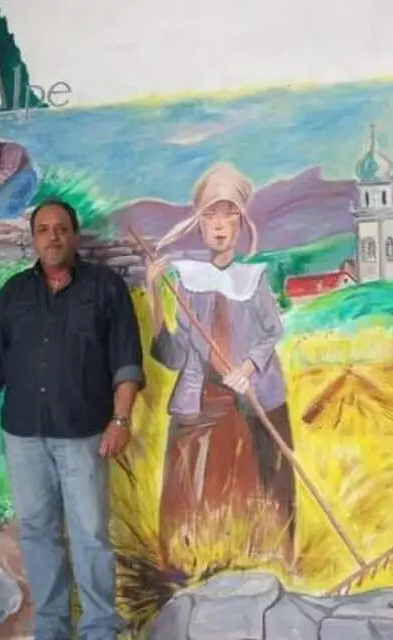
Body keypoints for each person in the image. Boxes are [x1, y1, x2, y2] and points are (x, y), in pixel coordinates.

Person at [0, 199, 145, 640]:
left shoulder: (105, 288)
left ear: (74, 235)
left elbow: (126, 361)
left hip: (84, 434)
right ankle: (50, 629)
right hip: (22, 434)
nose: (53, 237)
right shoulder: (13, 293)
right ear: (33, 238)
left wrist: (121, 421)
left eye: (61, 228)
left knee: (90, 535)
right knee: (37, 533)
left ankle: (100, 629)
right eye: (44, 229)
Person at [145, 163, 296, 565]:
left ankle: (265, 561)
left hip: (252, 399)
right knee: (194, 489)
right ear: (199, 225)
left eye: (228, 214)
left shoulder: (254, 278)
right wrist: (154, 295)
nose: (219, 224)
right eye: (211, 215)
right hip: (202, 401)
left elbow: (272, 331)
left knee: (261, 486)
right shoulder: (188, 281)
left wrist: (248, 367)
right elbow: (173, 356)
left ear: (240, 223)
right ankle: (192, 565)